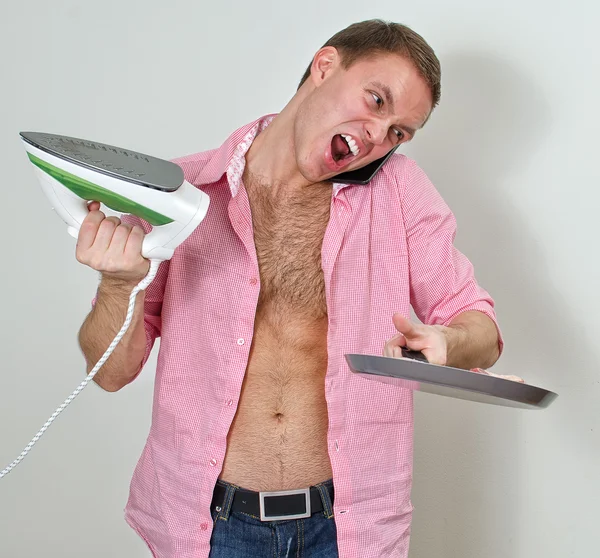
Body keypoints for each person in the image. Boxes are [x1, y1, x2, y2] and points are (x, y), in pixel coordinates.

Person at [77, 19, 502, 558]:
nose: (379, 134)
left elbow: (480, 327)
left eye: (399, 132)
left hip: (347, 528)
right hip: (206, 527)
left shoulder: (401, 194)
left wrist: (448, 341)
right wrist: (118, 284)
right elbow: (109, 373)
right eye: (376, 100)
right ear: (325, 67)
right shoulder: (178, 197)